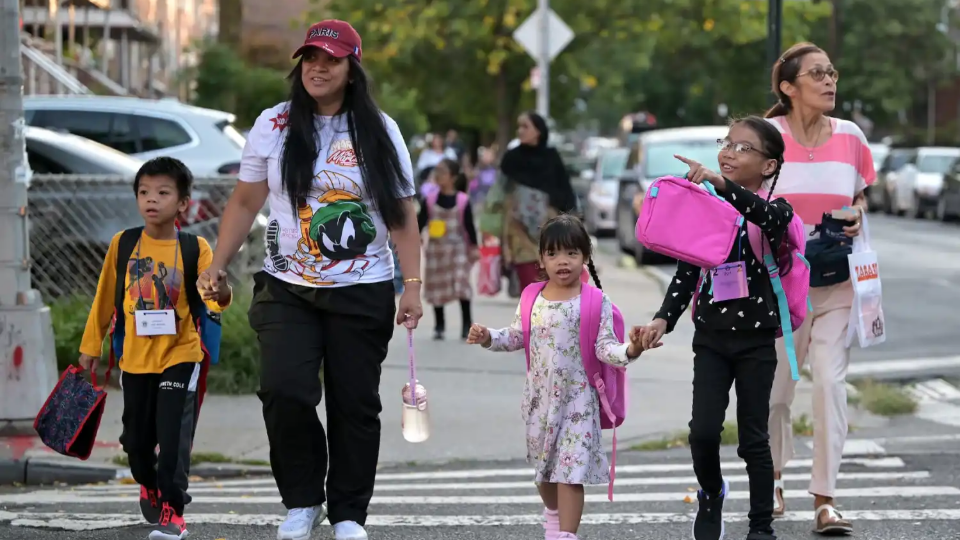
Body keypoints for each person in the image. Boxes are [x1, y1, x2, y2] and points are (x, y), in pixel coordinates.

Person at [195, 20, 423, 540]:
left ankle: (347, 513)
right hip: (286, 285)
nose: (318, 68)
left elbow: (401, 214)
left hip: (362, 286)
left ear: (352, 68)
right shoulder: (274, 124)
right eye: (310, 59)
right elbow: (247, 200)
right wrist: (217, 263)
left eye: (331, 59)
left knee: (354, 403)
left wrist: (412, 285)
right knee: (285, 390)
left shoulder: (378, 130)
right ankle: (302, 500)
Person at [639, 117, 796, 540]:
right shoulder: (707, 208)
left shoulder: (777, 209)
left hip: (758, 340)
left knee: (753, 439)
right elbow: (687, 272)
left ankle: (761, 526)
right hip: (710, 337)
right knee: (703, 432)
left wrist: (722, 187)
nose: (729, 152)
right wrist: (662, 319)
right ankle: (712, 493)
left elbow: (763, 215)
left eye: (743, 148)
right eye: (726, 143)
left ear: (768, 166)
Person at [466, 214, 654, 540]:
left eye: (571, 253)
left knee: (570, 475)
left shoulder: (596, 302)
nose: (562, 261)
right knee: (544, 475)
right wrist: (487, 337)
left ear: (585, 257)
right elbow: (516, 336)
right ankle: (552, 517)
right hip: (540, 402)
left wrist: (632, 349)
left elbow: (606, 348)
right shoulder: (531, 298)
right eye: (552, 254)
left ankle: (566, 535)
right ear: (541, 258)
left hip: (579, 403)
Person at [77, 157, 232, 540]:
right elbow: (103, 300)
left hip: (180, 355)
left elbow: (214, 302)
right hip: (135, 359)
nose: (152, 200)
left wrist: (221, 291)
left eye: (163, 193)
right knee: (137, 441)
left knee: (173, 435)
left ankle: (173, 509)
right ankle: (147, 483)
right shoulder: (124, 243)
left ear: (182, 203)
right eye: (144, 192)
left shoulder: (195, 249)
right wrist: (90, 346)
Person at [762, 42, 875, 535]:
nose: (830, 80)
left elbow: (860, 197)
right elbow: (744, 201)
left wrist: (856, 216)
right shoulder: (768, 139)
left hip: (836, 284)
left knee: (830, 385)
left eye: (832, 71)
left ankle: (825, 499)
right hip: (780, 289)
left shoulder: (850, 137)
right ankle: (773, 479)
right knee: (774, 394)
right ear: (789, 88)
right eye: (817, 74)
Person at [499, 111, 578, 290]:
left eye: (525, 126)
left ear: (539, 131)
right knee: (529, 285)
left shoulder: (551, 157)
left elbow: (565, 190)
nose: (520, 131)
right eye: (519, 126)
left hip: (548, 229)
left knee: (551, 283)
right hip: (519, 230)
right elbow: (499, 194)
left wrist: (572, 222)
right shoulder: (511, 159)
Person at [418, 158, 479, 340]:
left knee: (462, 285)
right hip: (436, 250)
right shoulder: (429, 200)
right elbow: (420, 222)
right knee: (437, 288)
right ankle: (439, 325)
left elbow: (469, 226)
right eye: (436, 172)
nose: (438, 176)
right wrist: (417, 236)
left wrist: (474, 247)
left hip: (458, 248)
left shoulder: (462, 200)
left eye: (442, 172)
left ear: (453, 177)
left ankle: (467, 324)